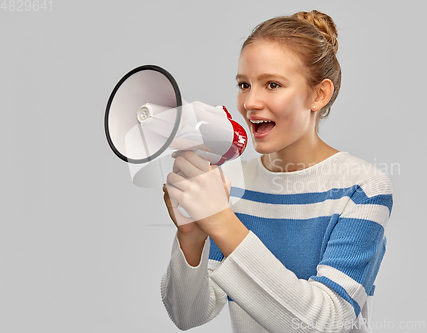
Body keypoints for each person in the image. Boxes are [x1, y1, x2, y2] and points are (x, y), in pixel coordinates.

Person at [161, 10, 393, 333]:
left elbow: (326, 323)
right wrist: (191, 236)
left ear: (318, 95)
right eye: (244, 84)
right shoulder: (233, 183)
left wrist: (221, 220)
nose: (250, 102)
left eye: (272, 84)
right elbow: (188, 315)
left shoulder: (363, 188)